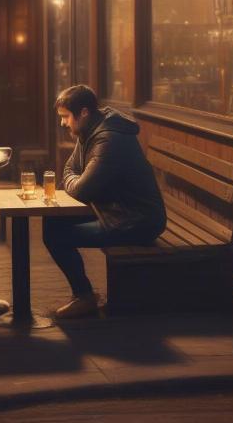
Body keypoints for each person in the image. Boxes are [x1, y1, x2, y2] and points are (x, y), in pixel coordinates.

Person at [43, 84, 166, 319]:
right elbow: (70, 169)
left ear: (84, 113)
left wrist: (72, 180)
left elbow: (82, 189)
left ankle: (84, 297)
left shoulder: (109, 139)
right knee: (52, 222)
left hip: (137, 220)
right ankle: (83, 295)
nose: (63, 123)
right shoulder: (90, 130)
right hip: (114, 210)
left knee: (55, 234)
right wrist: (73, 178)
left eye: (66, 117)